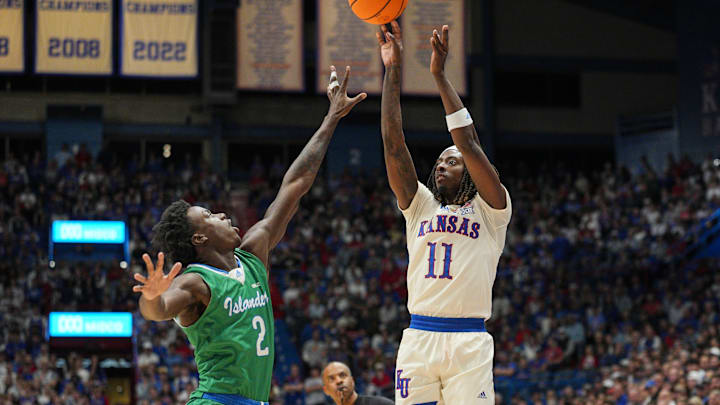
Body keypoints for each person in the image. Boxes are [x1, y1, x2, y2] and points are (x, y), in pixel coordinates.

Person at [132, 65, 367, 405]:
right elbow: (159, 310)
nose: (222, 214)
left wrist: (331, 119)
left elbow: (296, 184)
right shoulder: (197, 281)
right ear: (199, 239)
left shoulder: (254, 253)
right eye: (210, 216)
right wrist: (151, 296)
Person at [377, 21, 511, 404]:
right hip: (419, 337)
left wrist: (438, 75)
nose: (440, 165)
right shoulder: (420, 205)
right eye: (438, 161)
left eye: (451, 161)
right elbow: (392, 143)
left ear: (470, 168)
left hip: (468, 341)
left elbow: (466, 141)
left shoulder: (492, 209)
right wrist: (393, 70)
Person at [322, 362, 394, 405]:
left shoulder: (381, 404)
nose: (339, 381)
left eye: (342, 375)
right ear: (326, 390)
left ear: (352, 381)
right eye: (331, 379)